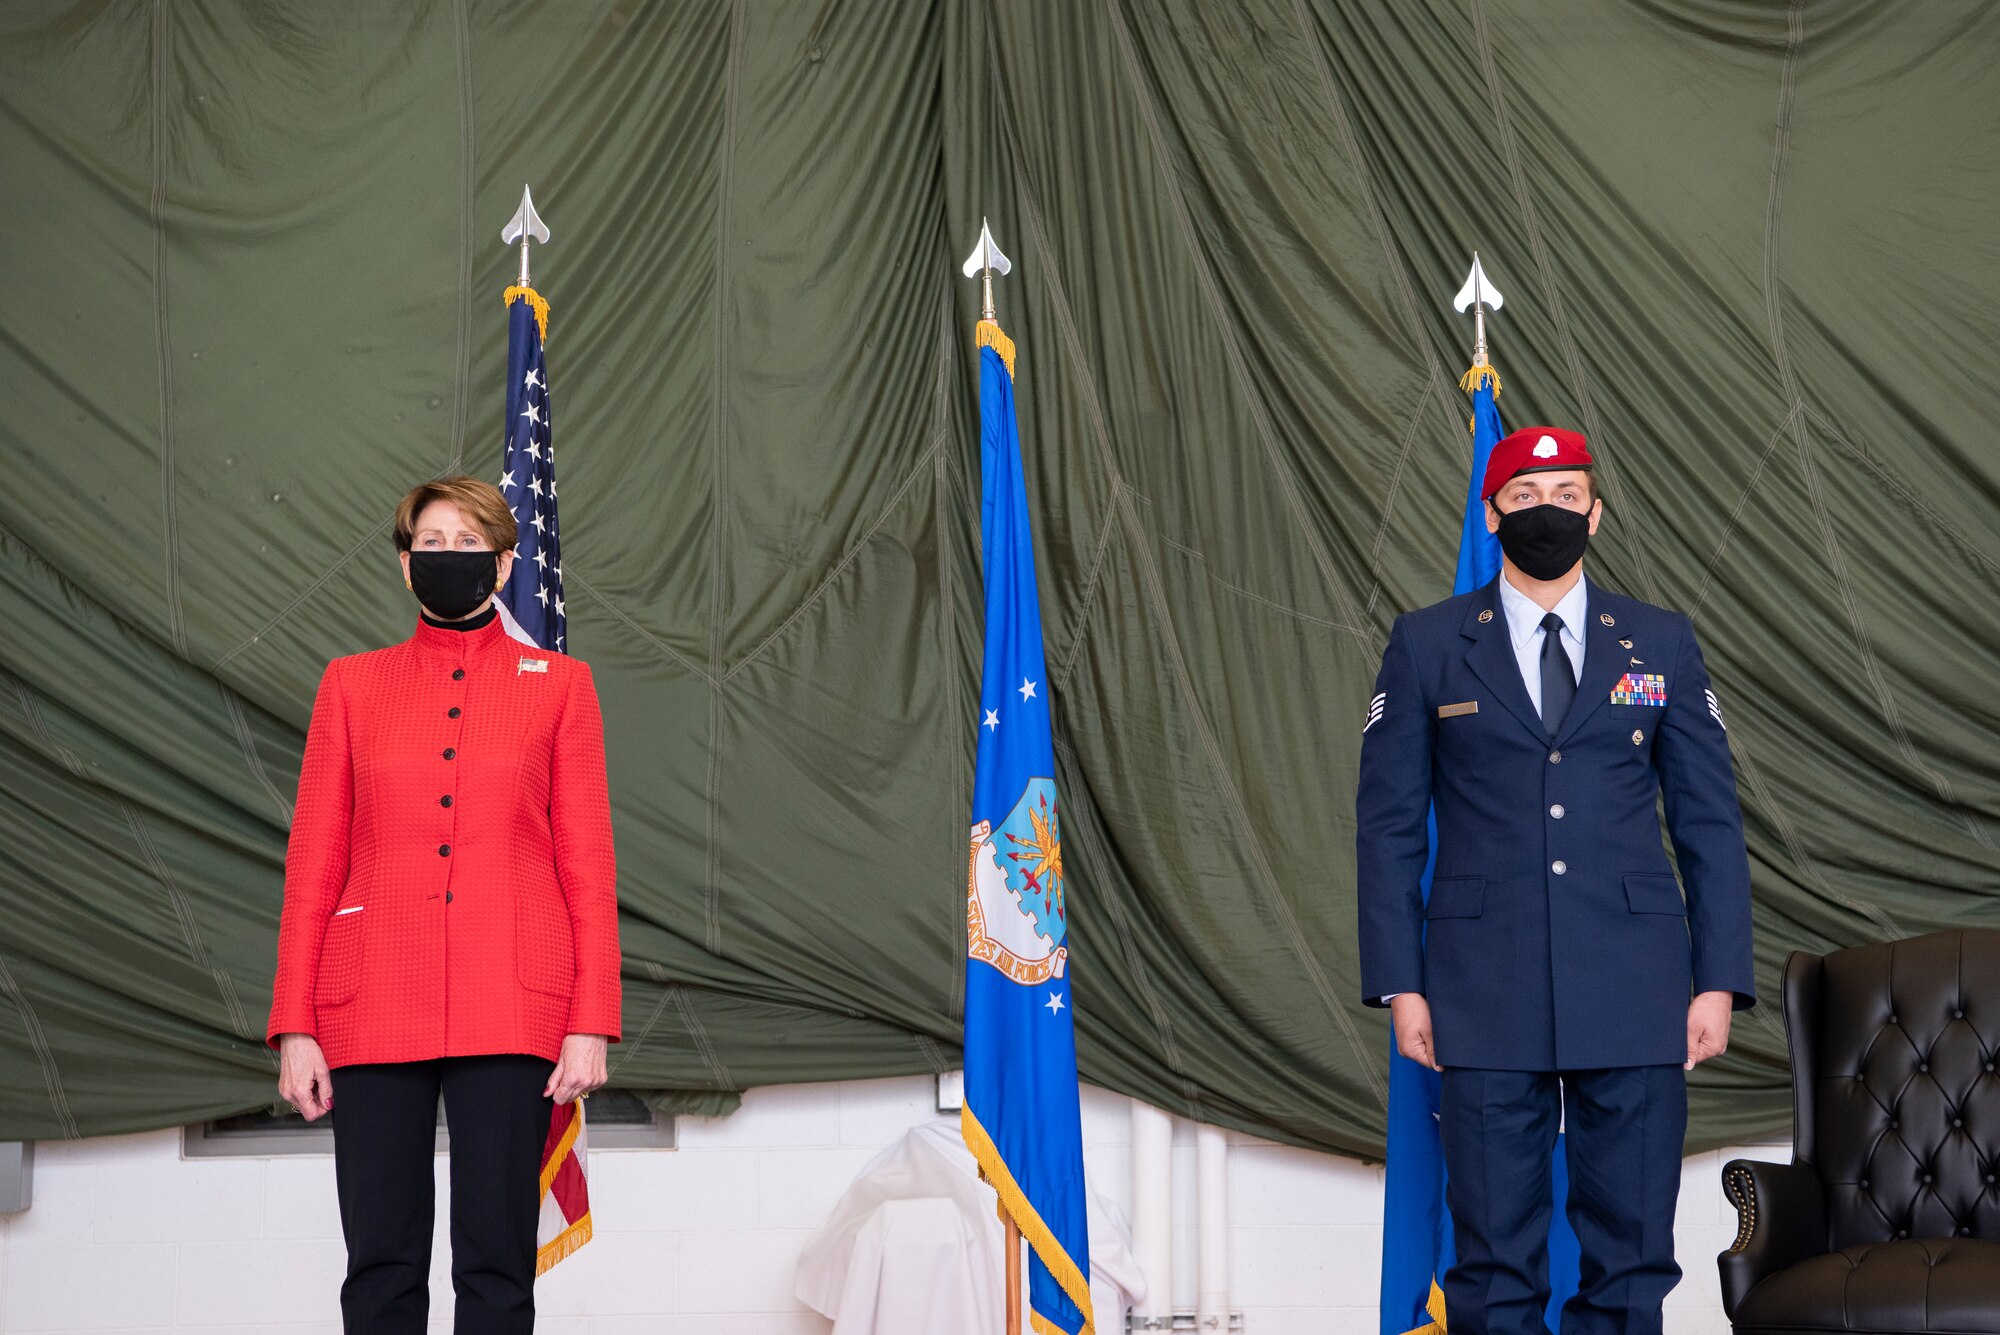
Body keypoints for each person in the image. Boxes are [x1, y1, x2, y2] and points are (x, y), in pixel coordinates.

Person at [1356, 427, 1755, 1335]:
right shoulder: (1426, 645)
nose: (1549, 513)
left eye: (1568, 495)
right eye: (1527, 497)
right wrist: (1401, 983)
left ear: (1596, 512)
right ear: (1491, 513)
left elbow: (1709, 820)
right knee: (1493, 1258)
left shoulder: (1661, 641)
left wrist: (1719, 979)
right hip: (1480, 987)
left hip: (1636, 982)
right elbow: (1384, 827)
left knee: (1631, 1255)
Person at [267, 475, 622, 1334]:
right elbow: (314, 858)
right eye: (433, 541)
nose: (450, 557)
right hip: (372, 1001)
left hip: (513, 1002)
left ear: (503, 566)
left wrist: (591, 1018)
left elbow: (587, 862)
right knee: (381, 1262)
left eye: (471, 544)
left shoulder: (562, 685)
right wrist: (295, 1025)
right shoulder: (349, 685)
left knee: (497, 1264)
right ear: (404, 563)